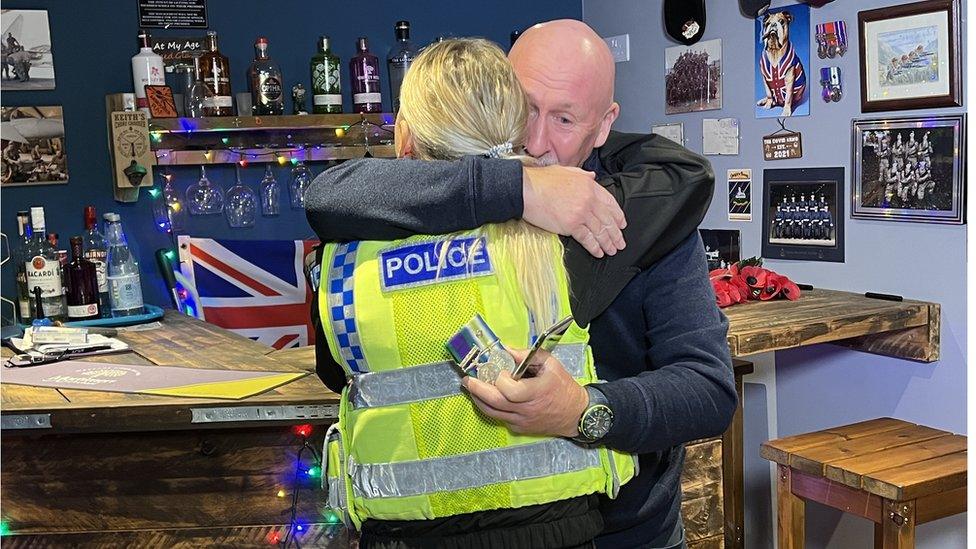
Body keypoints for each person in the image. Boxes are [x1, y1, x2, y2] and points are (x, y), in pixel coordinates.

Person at [307, 20, 735, 548]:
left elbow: (708, 390)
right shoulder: (440, 200)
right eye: (526, 108)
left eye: (564, 119)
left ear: (603, 127)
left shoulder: (641, 209)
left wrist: (585, 409)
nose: (534, 141)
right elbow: (329, 194)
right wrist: (518, 188)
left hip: (632, 529)